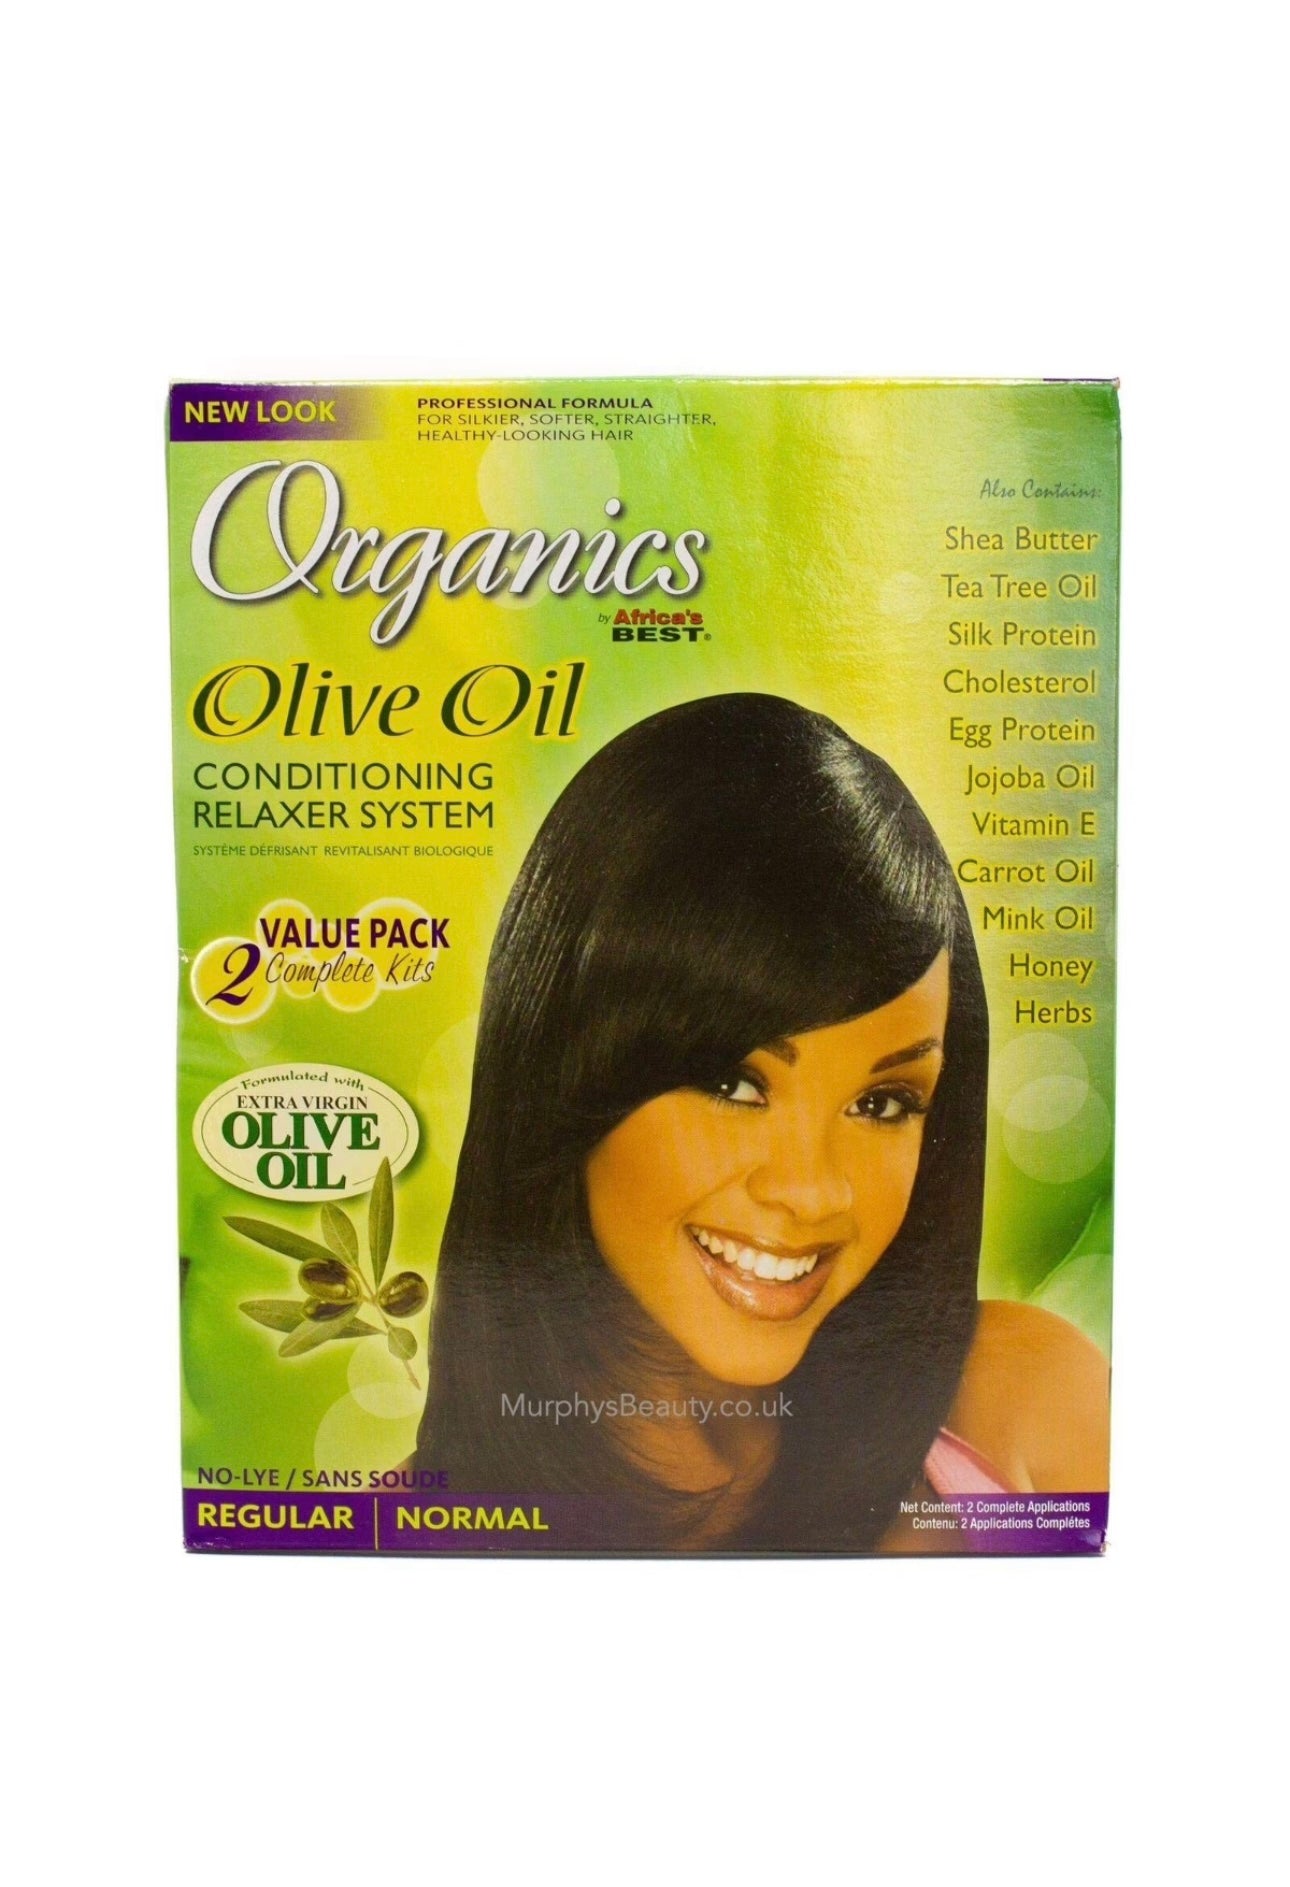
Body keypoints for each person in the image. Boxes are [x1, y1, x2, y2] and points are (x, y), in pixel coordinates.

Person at [415, 693, 1108, 1551]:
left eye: (884, 1103)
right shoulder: (399, 1534)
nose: (810, 1190)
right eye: (732, 1083)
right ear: (566, 1065)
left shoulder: (1022, 1395)